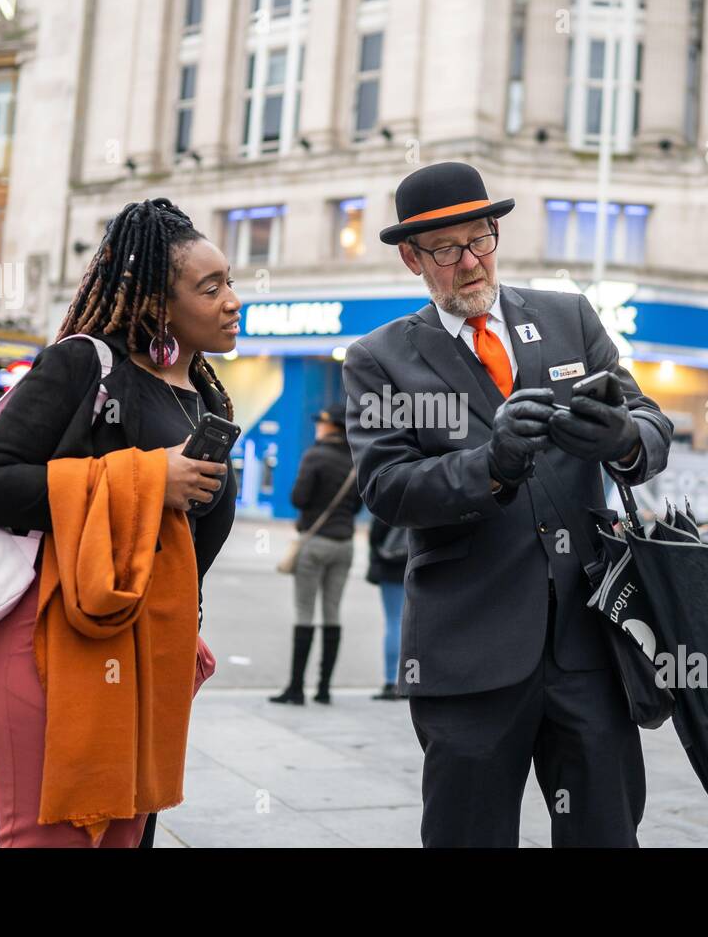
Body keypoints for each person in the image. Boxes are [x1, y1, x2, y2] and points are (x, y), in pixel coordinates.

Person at [343, 161, 674, 847]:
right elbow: (388, 488)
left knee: (606, 835)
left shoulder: (569, 317)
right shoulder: (380, 358)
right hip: (469, 658)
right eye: (445, 249)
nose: (470, 262)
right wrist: (489, 467)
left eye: (481, 239)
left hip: (589, 647)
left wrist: (624, 437)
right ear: (411, 257)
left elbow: (650, 426)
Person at [0, 197, 240, 847]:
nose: (233, 298)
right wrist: (147, 479)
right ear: (157, 303)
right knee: (51, 835)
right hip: (53, 640)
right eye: (211, 286)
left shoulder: (206, 391)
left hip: (145, 646)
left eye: (228, 281)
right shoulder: (85, 364)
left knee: (122, 833)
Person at [270, 403, 363, 706]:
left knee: (304, 612)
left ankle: (296, 688)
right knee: (333, 612)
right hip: (344, 544)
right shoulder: (355, 460)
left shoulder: (315, 455)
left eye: (321, 423)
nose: (317, 427)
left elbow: (298, 498)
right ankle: (324, 689)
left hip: (315, 542)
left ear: (330, 426)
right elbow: (359, 506)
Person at [365, 516, 408, 701]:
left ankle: (391, 682)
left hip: (393, 566)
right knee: (413, 626)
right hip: (420, 563)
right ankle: (411, 681)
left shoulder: (393, 490)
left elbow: (376, 533)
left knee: (394, 622)